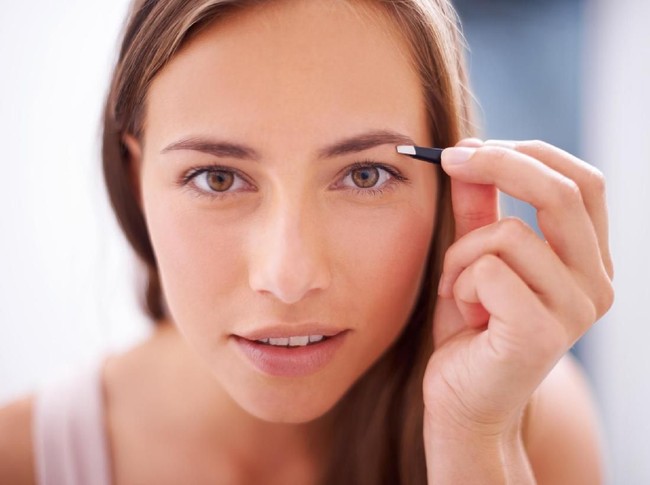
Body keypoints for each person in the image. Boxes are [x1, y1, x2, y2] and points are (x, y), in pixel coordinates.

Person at [0, 0, 614, 483]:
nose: (289, 276)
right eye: (217, 178)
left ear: (449, 181)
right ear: (137, 181)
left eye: (364, 175)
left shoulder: (529, 426)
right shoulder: (21, 461)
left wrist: (475, 441)